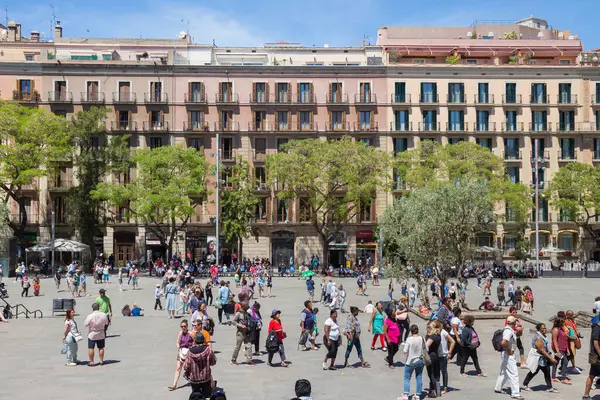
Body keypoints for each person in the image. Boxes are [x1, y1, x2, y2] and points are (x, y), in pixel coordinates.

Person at [522, 323, 558, 393]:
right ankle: (525, 384)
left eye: (545, 328)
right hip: (539, 358)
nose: (545, 329)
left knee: (545, 371)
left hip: (543, 358)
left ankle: (549, 387)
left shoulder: (543, 335)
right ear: (539, 329)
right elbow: (541, 350)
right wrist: (551, 359)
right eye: (543, 328)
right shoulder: (538, 338)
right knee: (535, 371)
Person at [494, 315, 523, 400]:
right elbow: (504, 342)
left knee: (504, 372)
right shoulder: (508, 331)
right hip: (508, 354)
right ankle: (515, 393)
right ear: (513, 322)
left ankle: (498, 387)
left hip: (506, 353)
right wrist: (509, 350)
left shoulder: (509, 330)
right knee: (514, 374)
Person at [183, 332, 217, 398]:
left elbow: (186, 366)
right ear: (203, 340)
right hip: (206, 377)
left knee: (196, 396)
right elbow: (213, 362)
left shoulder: (190, 352)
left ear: (195, 341)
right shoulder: (208, 350)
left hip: (194, 379)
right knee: (207, 395)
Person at [401, 324, 425, 400]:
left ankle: (405, 394)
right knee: (419, 376)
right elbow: (426, 348)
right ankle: (418, 395)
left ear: (411, 331)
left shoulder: (409, 339)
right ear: (418, 330)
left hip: (410, 361)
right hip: (420, 360)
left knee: (407, 377)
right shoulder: (422, 338)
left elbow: (405, 351)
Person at [169, 319, 194, 390]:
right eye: (182, 326)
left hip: (189, 352)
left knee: (191, 368)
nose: (183, 328)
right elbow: (177, 342)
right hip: (181, 352)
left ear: (187, 326)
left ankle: (195, 382)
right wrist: (178, 347)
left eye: (184, 326)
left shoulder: (191, 333)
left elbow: (195, 341)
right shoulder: (180, 333)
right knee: (178, 368)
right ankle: (174, 384)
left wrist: (192, 349)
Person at [84, 302, 108, 366]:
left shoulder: (90, 316)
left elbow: (85, 324)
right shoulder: (103, 315)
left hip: (92, 333)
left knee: (91, 348)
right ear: (99, 308)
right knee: (101, 347)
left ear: (92, 308)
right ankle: (101, 361)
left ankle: (92, 362)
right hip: (101, 332)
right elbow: (106, 322)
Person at [583, 315, 600, 400]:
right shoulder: (597, 328)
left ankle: (586, 395)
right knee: (592, 375)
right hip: (596, 357)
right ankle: (585, 395)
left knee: (592, 375)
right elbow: (596, 344)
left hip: (594, 356)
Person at [550, 317, 572, 385]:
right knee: (565, 361)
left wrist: (567, 349)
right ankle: (563, 378)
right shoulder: (556, 329)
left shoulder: (561, 329)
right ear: (558, 322)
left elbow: (565, 339)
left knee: (556, 362)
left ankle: (553, 377)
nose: (564, 323)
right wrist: (557, 351)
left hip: (564, 347)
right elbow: (554, 340)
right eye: (562, 322)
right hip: (559, 348)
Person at [231, 301, 253, 365]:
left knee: (249, 345)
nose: (248, 307)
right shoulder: (238, 313)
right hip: (240, 333)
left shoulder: (247, 313)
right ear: (243, 306)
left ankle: (249, 360)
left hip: (246, 332)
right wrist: (241, 325)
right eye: (247, 306)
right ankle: (233, 359)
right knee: (238, 347)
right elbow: (233, 322)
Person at [425, 321, 442, 398]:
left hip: (430, 356)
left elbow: (426, 346)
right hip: (436, 356)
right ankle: (437, 391)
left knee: (431, 374)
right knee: (436, 373)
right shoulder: (438, 336)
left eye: (429, 327)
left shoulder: (432, 337)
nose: (427, 329)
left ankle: (433, 391)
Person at [439, 318, 456, 394]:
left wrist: (449, 352)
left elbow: (452, 341)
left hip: (443, 354)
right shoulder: (434, 332)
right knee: (437, 372)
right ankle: (436, 386)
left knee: (444, 371)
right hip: (437, 355)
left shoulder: (443, 332)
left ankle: (445, 387)